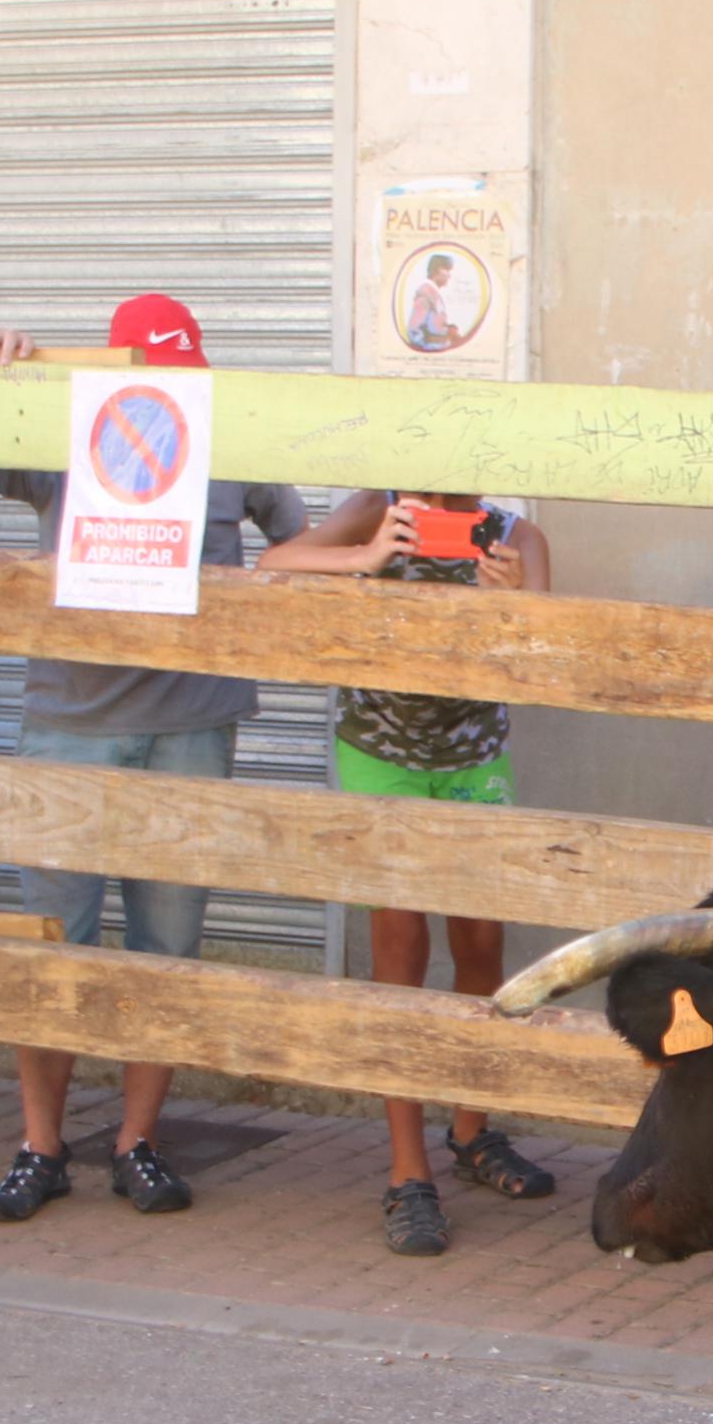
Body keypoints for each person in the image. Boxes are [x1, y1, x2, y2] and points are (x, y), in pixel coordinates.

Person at [0, 298, 307, 1223]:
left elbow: (298, 543)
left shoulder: (231, 434)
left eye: (186, 367)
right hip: (72, 715)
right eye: (154, 368)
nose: (173, 384)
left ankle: (138, 1140)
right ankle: (39, 1144)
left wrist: (367, 549)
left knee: (169, 948)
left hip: (193, 720)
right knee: (53, 944)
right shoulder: (71, 423)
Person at [261, 485, 561, 1257]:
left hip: (473, 755)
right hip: (381, 758)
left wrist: (516, 598)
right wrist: (366, 557)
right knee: (399, 950)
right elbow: (275, 560)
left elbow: (545, 642)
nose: (438, 486)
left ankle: (471, 1131)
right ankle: (406, 1171)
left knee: (482, 946)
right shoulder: (376, 509)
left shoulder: (515, 534)